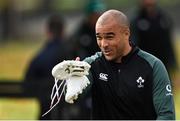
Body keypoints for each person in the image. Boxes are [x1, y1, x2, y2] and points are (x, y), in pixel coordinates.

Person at [80, 9, 175, 119]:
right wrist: (73, 79)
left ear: (126, 33)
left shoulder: (153, 66)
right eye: (99, 37)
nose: (104, 44)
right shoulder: (91, 65)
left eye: (109, 37)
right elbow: (74, 95)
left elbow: (166, 115)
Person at [23, 14, 72, 120]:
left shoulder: (40, 56)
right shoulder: (70, 52)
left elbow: (27, 83)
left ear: (47, 31)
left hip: (45, 112)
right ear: (63, 31)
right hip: (67, 111)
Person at [130, 0, 177, 72]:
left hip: (163, 64)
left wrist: (172, 61)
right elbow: (133, 43)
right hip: (144, 64)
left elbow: (168, 42)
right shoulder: (136, 20)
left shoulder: (163, 18)